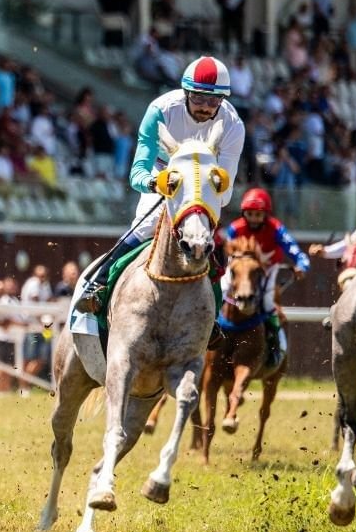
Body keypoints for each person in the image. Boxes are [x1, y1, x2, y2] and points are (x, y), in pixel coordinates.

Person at [76, 56, 245, 313]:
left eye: (213, 101)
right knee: (147, 226)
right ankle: (98, 284)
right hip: (165, 171)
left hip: (204, 181)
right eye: (198, 98)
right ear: (185, 91)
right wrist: (157, 183)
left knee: (205, 237)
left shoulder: (234, 126)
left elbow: (225, 193)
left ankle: (214, 316)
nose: (204, 107)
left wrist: (211, 189)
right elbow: (137, 174)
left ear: (223, 100)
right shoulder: (161, 110)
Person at [221, 188, 309, 369]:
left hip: (267, 271)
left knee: (268, 303)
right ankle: (212, 333)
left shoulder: (276, 228)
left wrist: (302, 264)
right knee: (221, 292)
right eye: (250, 214)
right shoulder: (235, 228)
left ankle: (276, 343)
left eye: (258, 215)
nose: (254, 218)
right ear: (244, 213)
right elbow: (228, 254)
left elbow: (293, 248)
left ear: (266, 214)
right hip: (239, 271)